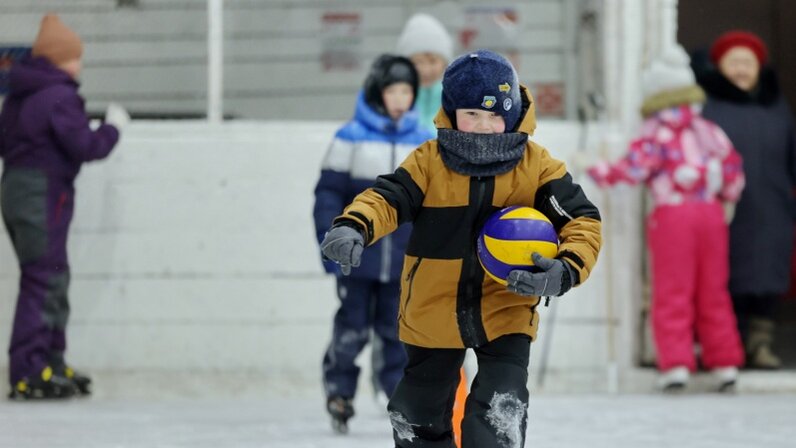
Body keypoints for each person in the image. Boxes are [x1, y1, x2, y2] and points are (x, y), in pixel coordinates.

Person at [320, 50, 601, 447]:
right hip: (432, 306)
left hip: (507, 305)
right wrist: (354, 226)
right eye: (471, 114)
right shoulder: (428, 163)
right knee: (417, 415)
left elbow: (581, 220)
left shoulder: (537, 167)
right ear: (451, 113)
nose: (484, 126)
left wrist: (567, 269)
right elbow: (386, 198)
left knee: (499, 412)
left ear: (513, 113)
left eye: (495, 115)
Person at [588, 45, 745, 392]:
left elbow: (632, 170)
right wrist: (727, 198)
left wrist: (595, 169)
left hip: (674, 215)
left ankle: (676, 364)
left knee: (673, 289)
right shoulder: (709, 130)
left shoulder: (655, 132)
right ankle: (725, 362)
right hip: (711, 214)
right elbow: (733, 168)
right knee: (713, 290)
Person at [0, 14, 128, 399]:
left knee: (54, 275)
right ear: (60, 59)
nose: (79, 64)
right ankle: (28, 370)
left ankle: (50, 361)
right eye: (75, 57)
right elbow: (86, 146)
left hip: (17, 190)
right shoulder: (58, 95)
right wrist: (113, 128)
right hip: (42, 195)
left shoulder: (18, 96)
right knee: (43, 278)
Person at [313, 54, 433, 433]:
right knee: (351, 329)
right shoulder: (350, 138)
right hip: (357, 261)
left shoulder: (424, 142)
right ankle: (339, 392)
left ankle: (395, 395)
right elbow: (328, 195)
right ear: (377, 92)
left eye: (406, 92)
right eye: (392, 91)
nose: (400, 99)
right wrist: (330, 242)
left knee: (397, 332)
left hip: (402, 263)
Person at [694, 31, 796, 369]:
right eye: (734, 62)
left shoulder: (777, 107)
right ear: (720, 67)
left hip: (774, 207)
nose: (741, 70)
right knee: (728, 276)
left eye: (747, 63)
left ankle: (760, 343)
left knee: (769, 276)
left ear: (758, 68)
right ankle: (730, 345)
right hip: (728, 210)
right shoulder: (707, 108)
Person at [396, 13, 453, 134]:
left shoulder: (456, 99)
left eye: (433, 61)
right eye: (418, 62)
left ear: (444, 63)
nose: (426, 70)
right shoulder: (392, 99)